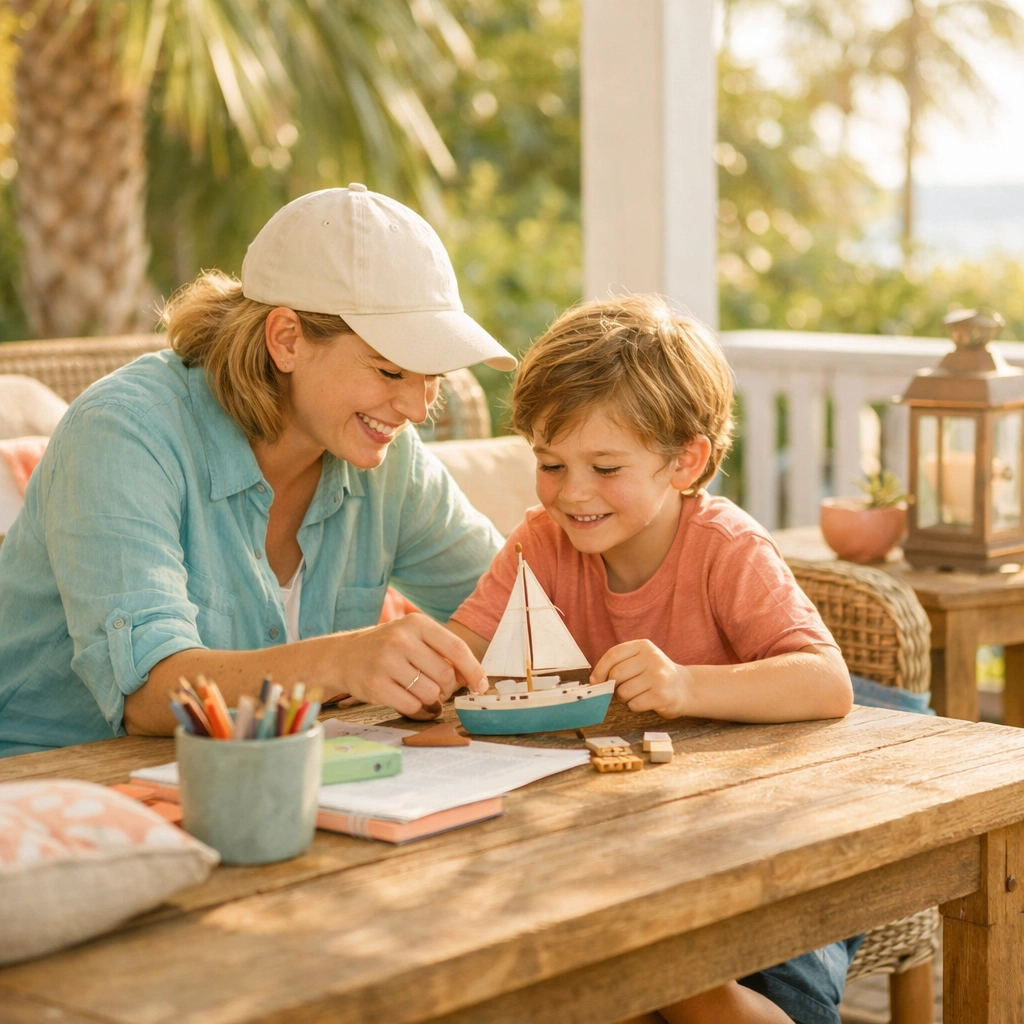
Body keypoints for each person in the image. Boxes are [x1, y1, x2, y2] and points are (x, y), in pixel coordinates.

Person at [448, 295, 858, 1024]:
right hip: (611, 841)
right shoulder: (540, 542)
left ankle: (683, 980)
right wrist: (426, 666)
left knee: (742, 984)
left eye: (605, 466)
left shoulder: (725, 547)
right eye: (550, 463)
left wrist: (683, 684)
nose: (572, 492)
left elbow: (826, 683)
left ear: (685, 461)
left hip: (754, 833)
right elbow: (465, 653)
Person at [0, 185, 516, 757]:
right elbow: (147, 695)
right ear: (286, 339)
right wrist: (341, 661)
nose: (418, 409)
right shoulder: (123, 431)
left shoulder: (389, 457)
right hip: (54, 780)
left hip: (264, 777)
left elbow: (515, 612)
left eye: (433, 377)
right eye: (391, 372)